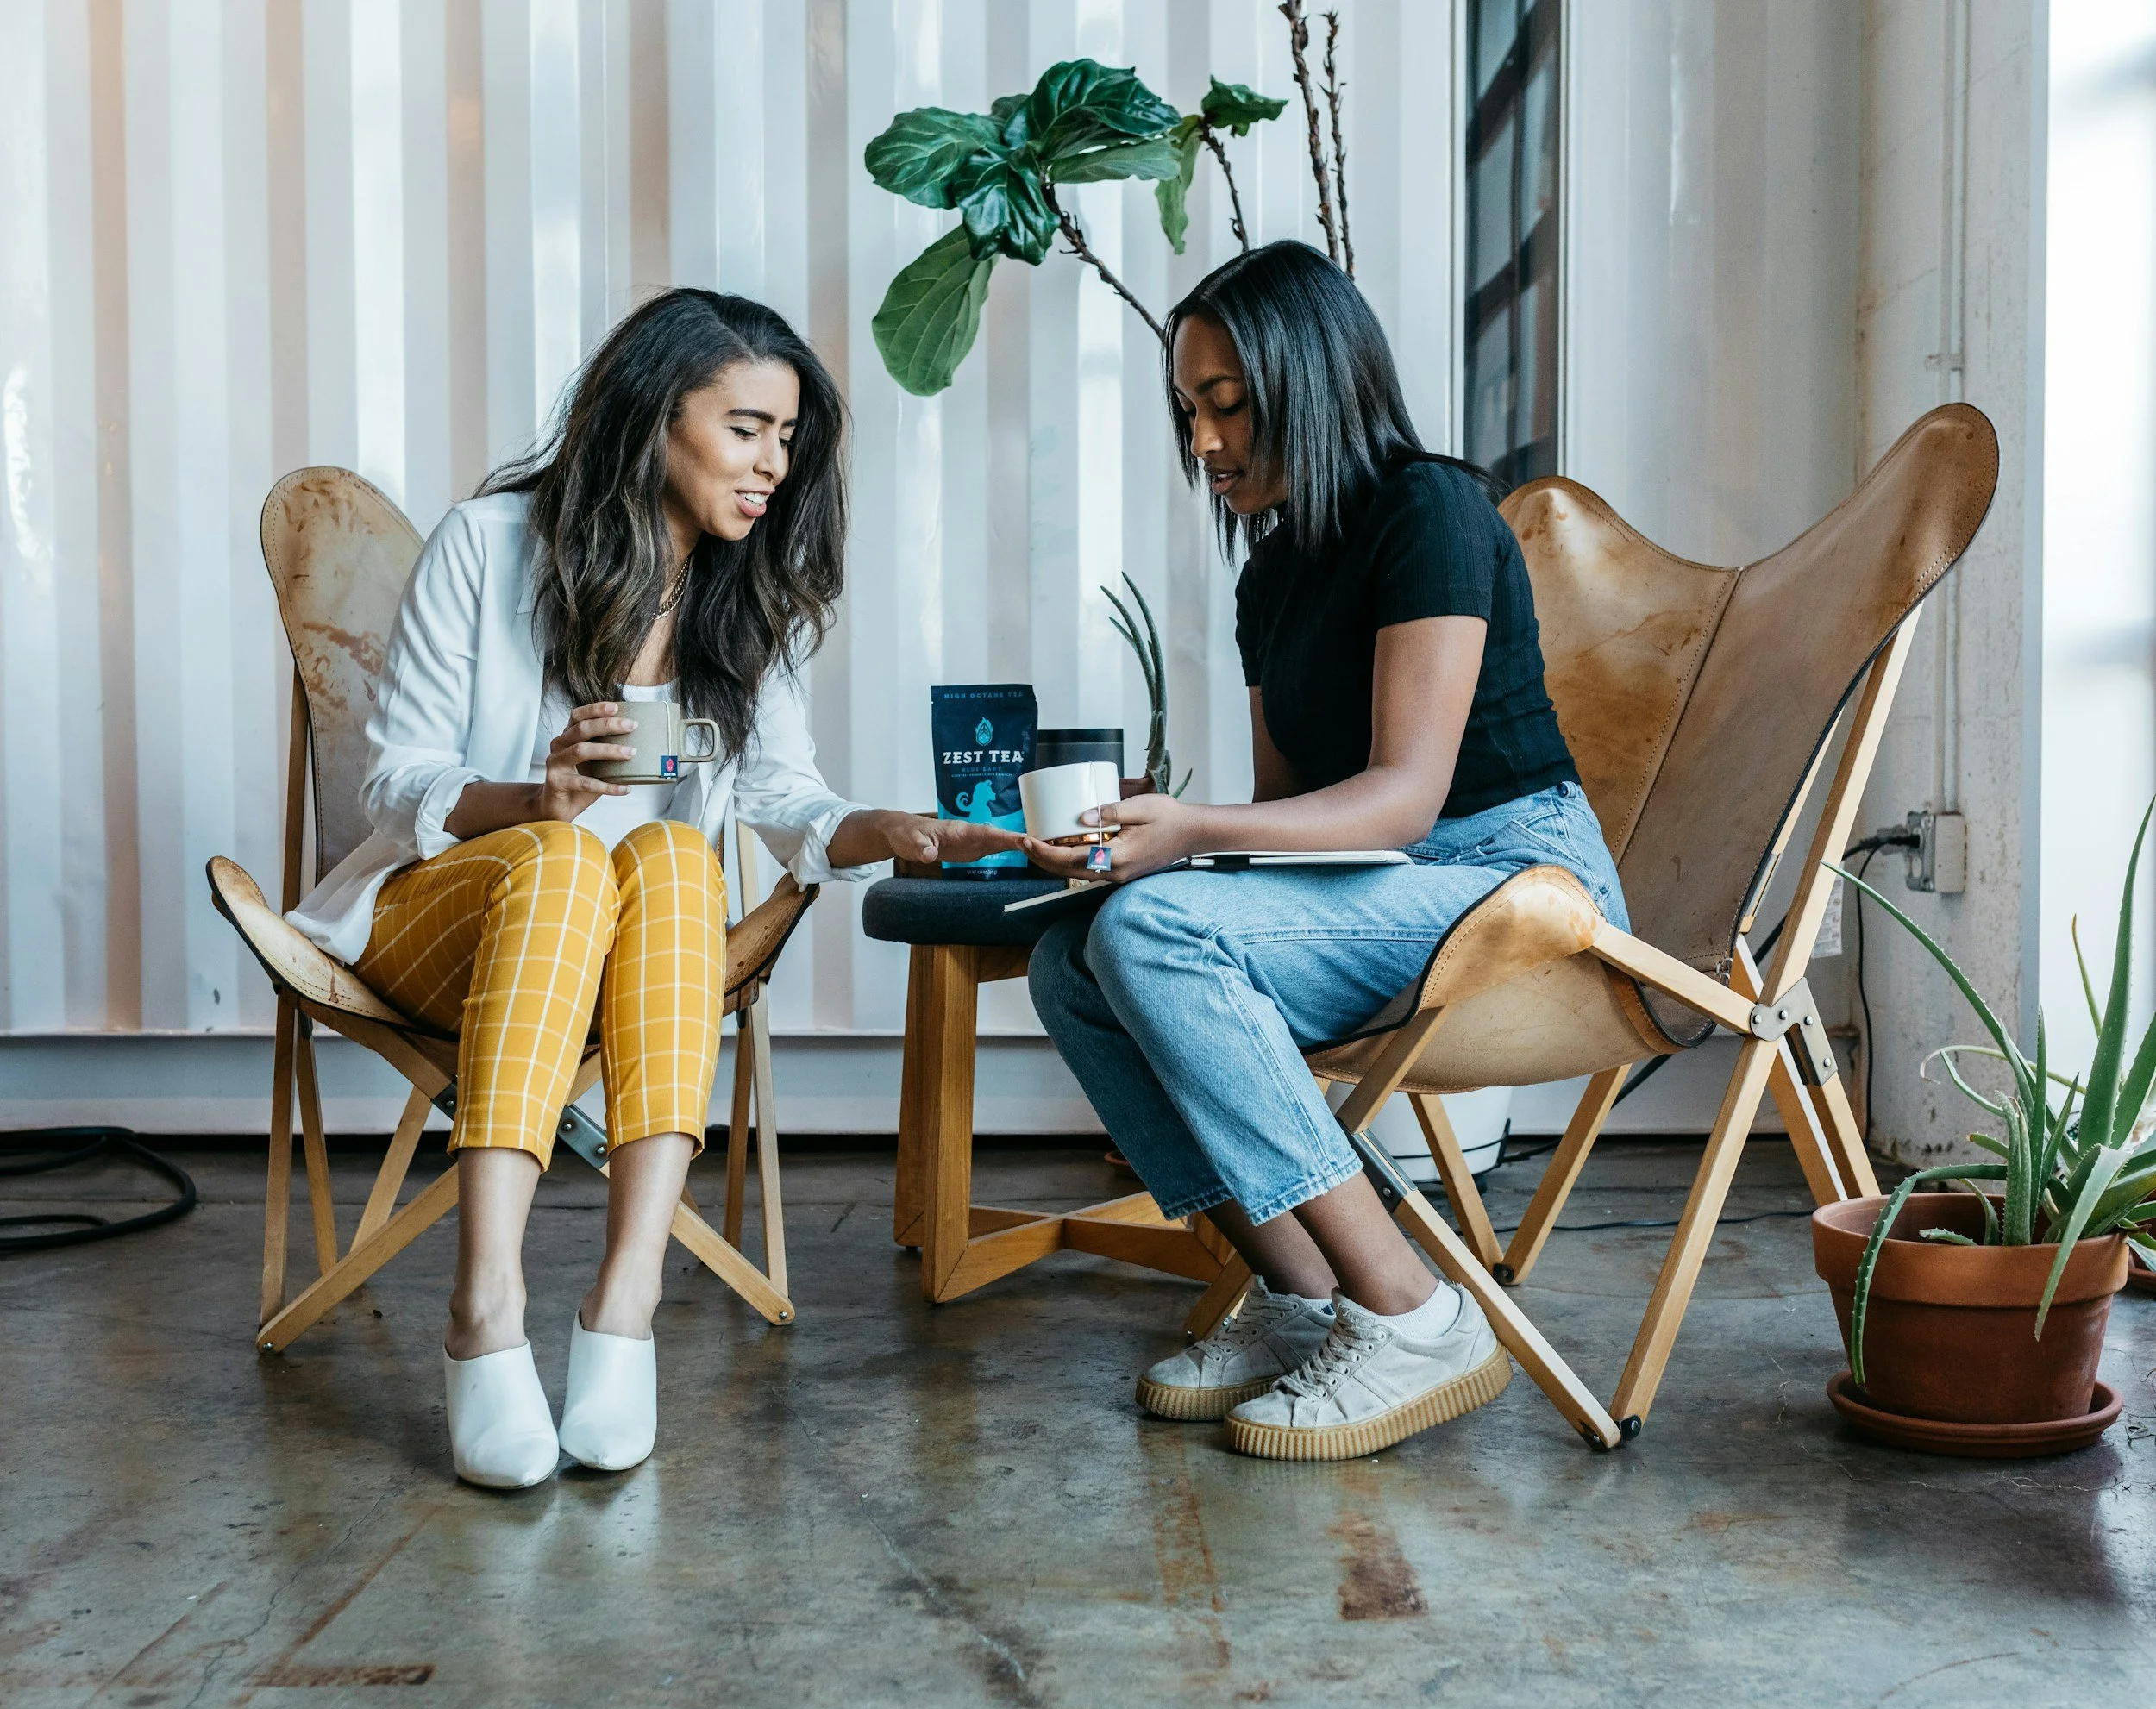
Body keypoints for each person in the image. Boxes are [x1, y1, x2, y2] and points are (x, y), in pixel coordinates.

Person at [289, 290, 1006, 1489]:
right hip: (443, 917)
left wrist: (883, 828)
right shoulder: (490, 544)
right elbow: (396, 778)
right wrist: (536, 799)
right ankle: (486, 1305)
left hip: (631, 947)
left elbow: (785, 795)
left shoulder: (741, 598)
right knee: (574, 857)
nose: (774, 463)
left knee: (674, 855)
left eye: (788, 438)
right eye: (746, 429)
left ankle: (626, 1305)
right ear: (653, 418)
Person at [1021, 241, 1628, 1462]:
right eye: (1190, 412)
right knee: (1074, 954)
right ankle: (1304, 1297)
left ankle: (1412, 1319)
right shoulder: (1273, 576)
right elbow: (1297, 818)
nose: (1204, 442)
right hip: (1391, 891)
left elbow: (1402, 800)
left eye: (1228, 405)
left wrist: (1194, 839)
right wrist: (1167, 833)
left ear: (1310, 375)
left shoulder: (1431, 509)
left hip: (1519, 887)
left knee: (1152, 927)